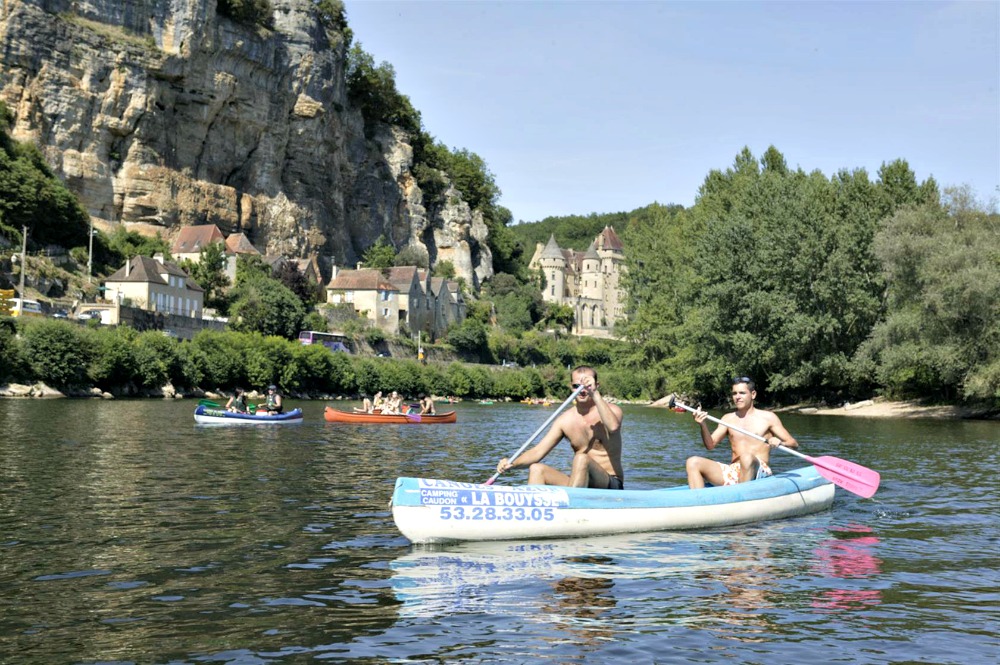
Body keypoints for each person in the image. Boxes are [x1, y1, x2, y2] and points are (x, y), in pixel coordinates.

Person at [496, 366, 625, 489]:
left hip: (610, 482)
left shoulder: (613, 411)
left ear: (596, 386)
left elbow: (613, 427)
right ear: (571, 387)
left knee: (582, 459)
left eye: (587, 386)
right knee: (537, 469)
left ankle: (572, 507)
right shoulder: (565, 420)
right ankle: (536, 510)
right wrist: (512, 463)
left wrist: (595, 394)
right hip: (579, 482)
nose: (582, 390)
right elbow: (537, 452)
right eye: (577, 386)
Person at [685, 376, 798, 489]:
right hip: (734, 471)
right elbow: (710, 445)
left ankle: (741, 497)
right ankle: (699, 501)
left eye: (742, 393)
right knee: (692, 462)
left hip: (759, 471)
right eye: (734, 393)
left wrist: (780, 443)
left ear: (753, 394)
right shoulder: (727, 419)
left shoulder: (768, 417)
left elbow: (793, 443)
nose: (737, 397)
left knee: (746, 457)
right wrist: (702, 424)